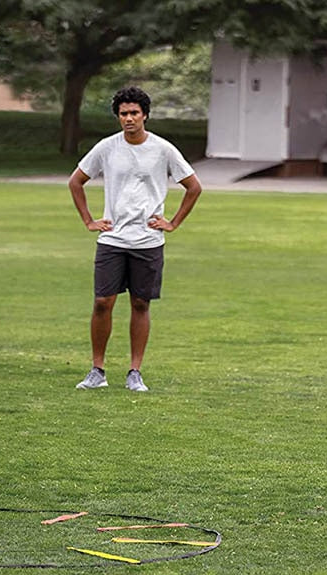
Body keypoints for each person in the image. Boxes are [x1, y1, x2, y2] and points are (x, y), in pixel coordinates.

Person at [68, 86, 202, 392]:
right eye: (123, 113)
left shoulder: (163, 149)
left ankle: (134, 372)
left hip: (148, 242)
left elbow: (194, 187)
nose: (129, 119)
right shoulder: (106, 148)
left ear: (145, 115)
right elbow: (76, 181)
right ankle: (97, 370)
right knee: (103, 302)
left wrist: (173, 223)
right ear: (118, 116)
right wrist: (89, 220)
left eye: (134, 113)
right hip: (112, 240)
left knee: (141, 303)